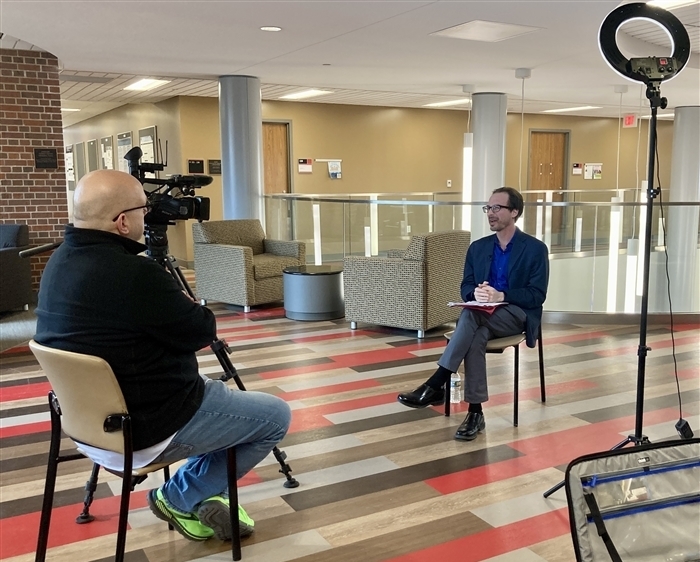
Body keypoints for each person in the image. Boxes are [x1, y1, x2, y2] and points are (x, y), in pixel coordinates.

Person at [34, 169, 291, 542]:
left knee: (222, 403)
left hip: (86, 427)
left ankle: (206, 490)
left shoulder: (58, 262)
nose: (148, 216)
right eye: (143, 208)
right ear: (123, 222)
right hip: (148, 426)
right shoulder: (136, 274)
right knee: (274, 417)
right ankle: (179, 495)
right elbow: (201, 331)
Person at [397, 187, 548, 441]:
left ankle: (437, 382)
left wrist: (502, 296)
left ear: (515, 212)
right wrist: (475, 294)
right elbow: (465, 286)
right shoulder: (478, 248)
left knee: (469, 318)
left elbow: (537, 295)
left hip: (516, 314)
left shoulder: (534, 249)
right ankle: (475, 413)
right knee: (475, 331)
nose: (491, 213)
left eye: (497, 208)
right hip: (482, 314)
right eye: (488, 208)